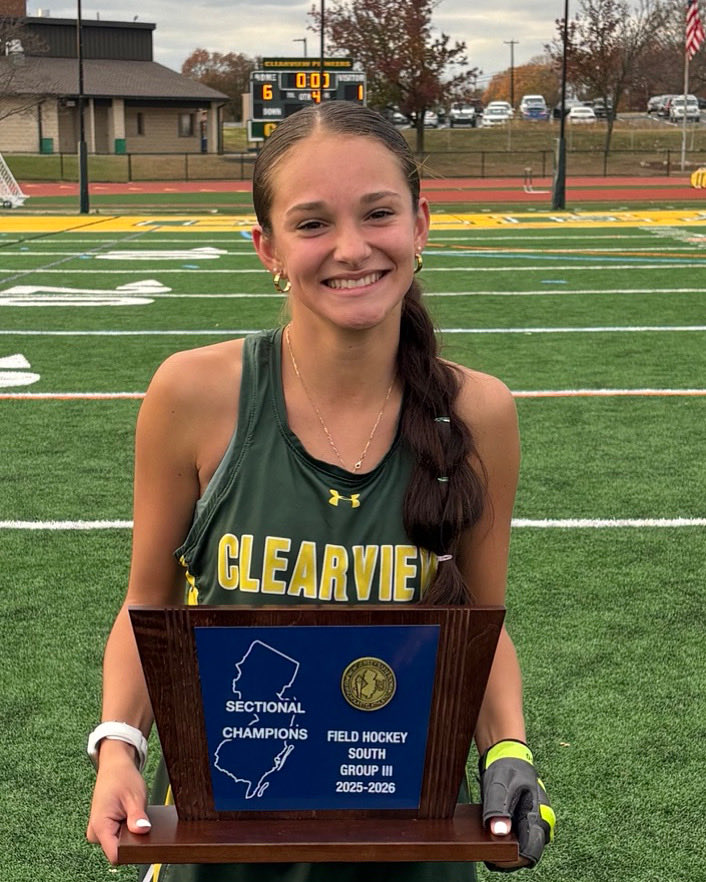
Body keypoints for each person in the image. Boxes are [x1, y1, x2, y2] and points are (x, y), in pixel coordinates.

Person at [86, 101, 554, 880]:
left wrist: (507, 748)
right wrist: (118, 747)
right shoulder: (194, 393)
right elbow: (147, 606)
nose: (351, 248)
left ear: (421, 224)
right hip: (228, 836)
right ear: (266, 247)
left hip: (412, 844)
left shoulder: (479, 413)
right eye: (312, 223)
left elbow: (476, 623)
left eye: (378, 213)